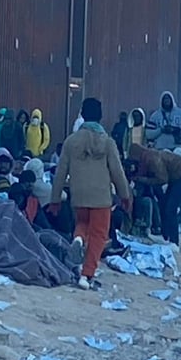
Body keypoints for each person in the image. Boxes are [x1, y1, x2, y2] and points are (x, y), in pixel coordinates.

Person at [50, 97, 131, 290]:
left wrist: (55, 200)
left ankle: (78, 239)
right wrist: (125, 195)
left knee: (82, 223)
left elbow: (60, 172)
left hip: (78, 196)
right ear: (100, 117)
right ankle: (87, 275)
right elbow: (117, 172)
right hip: (101, 197)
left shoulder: (71, 141)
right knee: (98, 235)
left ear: (83, 114)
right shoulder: (108, 142)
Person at [127, 143, 181, 247]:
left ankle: (174, 241)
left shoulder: (152, 159)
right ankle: (166, 236)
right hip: (179, 174)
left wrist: (141, 179)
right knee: (165, 205)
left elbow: (162, 179)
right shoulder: (149, 156)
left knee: (170, 208)